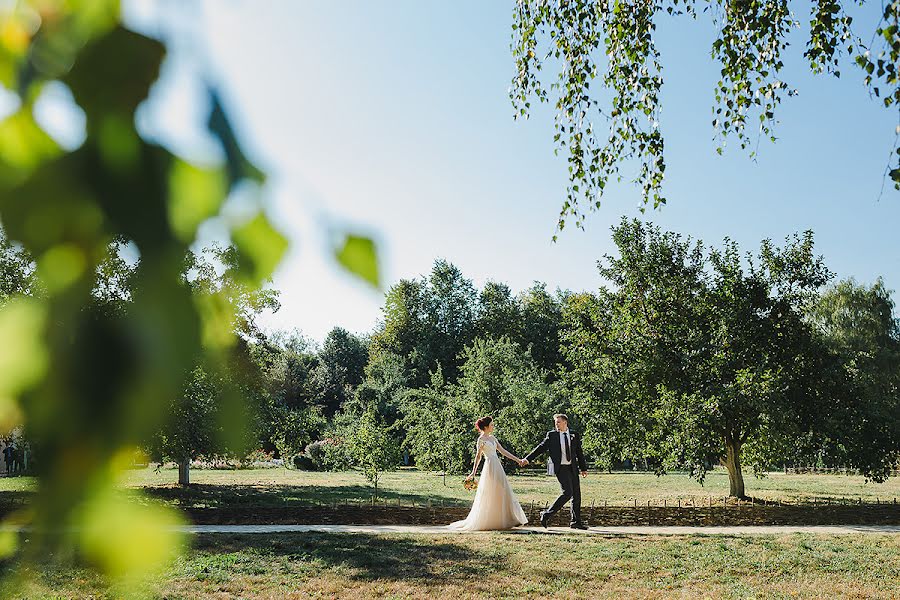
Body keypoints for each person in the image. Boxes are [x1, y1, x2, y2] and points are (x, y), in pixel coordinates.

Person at [447, 416, 528, 531]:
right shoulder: (481, 440)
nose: (493, 426)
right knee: (490, 492)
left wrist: (518, 460)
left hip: (497, 466)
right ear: (485, 427)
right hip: (489, 466)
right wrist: (473, 473)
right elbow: (478, 457)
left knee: (503, 490)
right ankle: (489, 520)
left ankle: (510, 519)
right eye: (492, 425)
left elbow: (503, 451)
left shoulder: (493, 438)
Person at [522, 413, 589, 529]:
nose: (556, 424)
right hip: (561, 469)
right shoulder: (552, 435)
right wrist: (527, 459)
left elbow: (579, 452)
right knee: (567, 493)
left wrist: (583, 468)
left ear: (565, 422)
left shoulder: (574, 434)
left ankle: (576, 522)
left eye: (558, 422)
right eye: (555, 422)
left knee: (576, 495)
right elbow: (540, 448)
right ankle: (546, 514)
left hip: (572, 468)